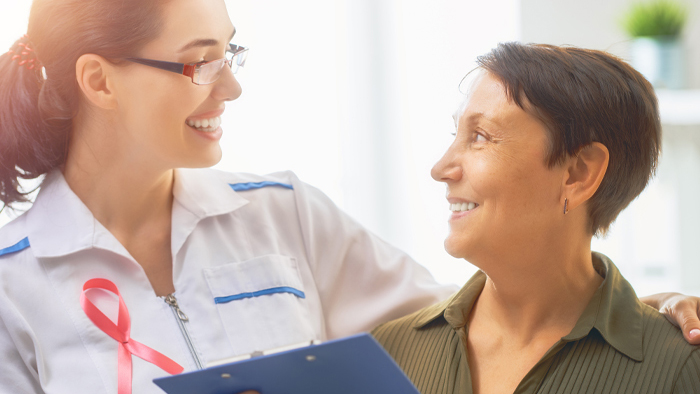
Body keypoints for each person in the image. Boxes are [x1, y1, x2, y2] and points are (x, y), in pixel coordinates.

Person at [0, 1, 696, 392]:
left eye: (230, 53)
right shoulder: (11, 286)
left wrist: (648, 316)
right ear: (99, 82)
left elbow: (479, 321)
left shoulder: (282, 212)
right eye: (197, 61)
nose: (230, 85)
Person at [372, 43, 700, 394]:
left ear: (577, 173)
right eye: (456, 135)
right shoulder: (389, 352)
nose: (441, 169)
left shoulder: (678, 370)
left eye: (480, 137)